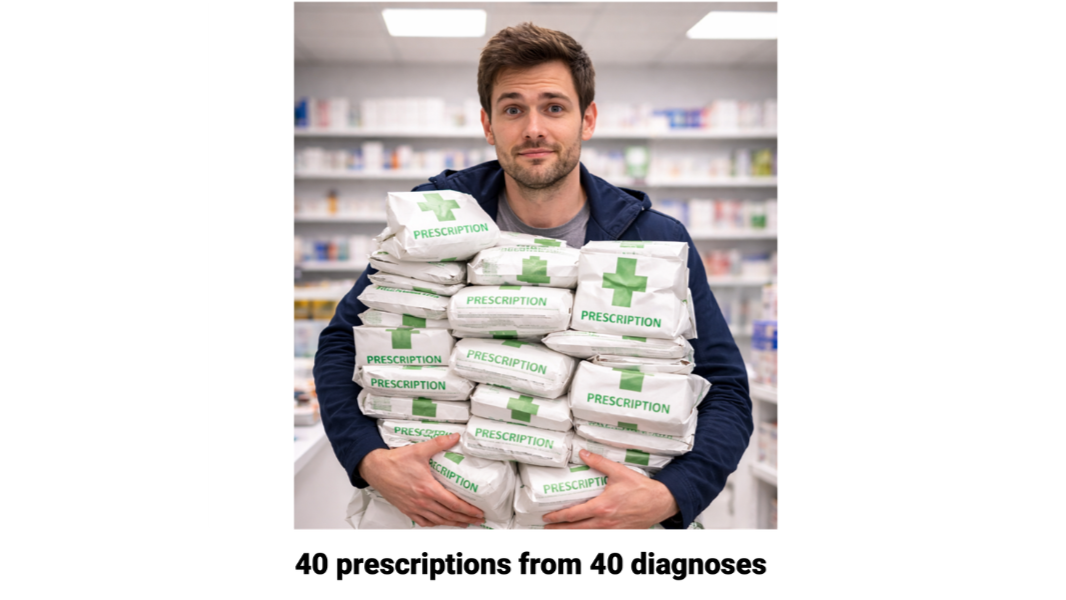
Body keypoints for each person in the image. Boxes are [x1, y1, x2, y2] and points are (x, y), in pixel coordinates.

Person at [313, 23, 753, 529]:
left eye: (554, 106)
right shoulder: (433, 221)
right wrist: (369, 460)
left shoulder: (652, 239)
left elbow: (724, 388)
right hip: (452, 528)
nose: (534, 129)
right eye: (513, 108)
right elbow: (341, 347)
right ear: (488, 123)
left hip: (603, 534)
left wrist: (672, 495)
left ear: (587, 119)